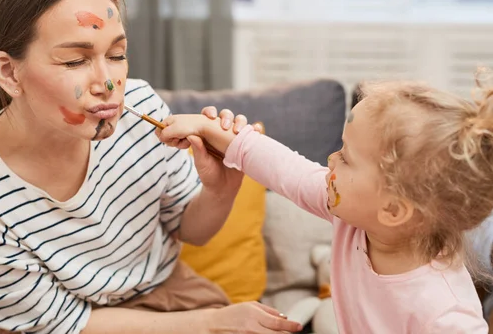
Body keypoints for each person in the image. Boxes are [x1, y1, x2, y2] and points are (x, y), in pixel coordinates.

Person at [0, 0, 302, 334]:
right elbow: (62, 323)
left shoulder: (142, 107)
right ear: (10, 73)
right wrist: (210, 324)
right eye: (76, 60)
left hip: (167, 293)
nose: (108, 84)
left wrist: (222, 187)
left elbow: (192, 231)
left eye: (116, 55)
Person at [157, 79, 493, 333]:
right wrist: (209, 129)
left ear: (393, 210)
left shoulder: (445, 314)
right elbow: (286, 169)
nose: (331, 159)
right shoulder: (353, 218)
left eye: (346, 158)